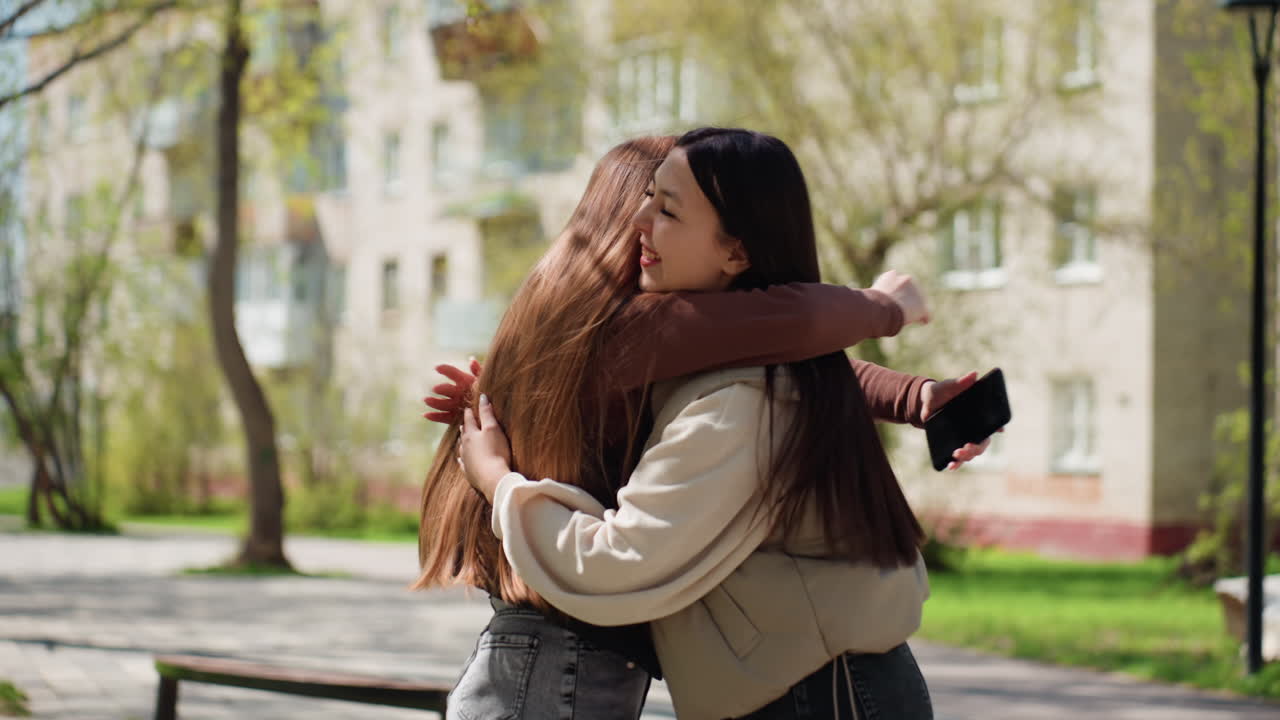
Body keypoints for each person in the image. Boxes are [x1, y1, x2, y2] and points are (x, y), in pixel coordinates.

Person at [413, 135, 955, 720]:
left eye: (669, 208)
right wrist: (884, 307)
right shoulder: (636, 332)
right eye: (648, 199)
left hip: (786, 683)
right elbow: (797, 322)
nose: (646, 221)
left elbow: (785, 350)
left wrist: (914, 395)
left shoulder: (592, 329)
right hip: (570, 648)